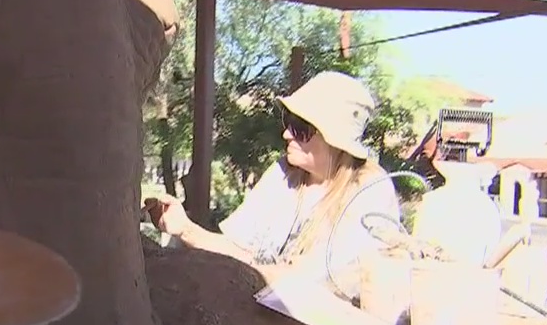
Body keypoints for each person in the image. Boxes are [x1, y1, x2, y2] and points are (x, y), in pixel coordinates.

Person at [146, 71, 401, 301]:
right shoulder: (283, 174)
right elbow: (238, 249)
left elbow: (317, 284)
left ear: (336, 141)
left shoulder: (370, 192)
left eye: (301, 128)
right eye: (288, 121)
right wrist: (185, 229)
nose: (287, 134)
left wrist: (248, 272)